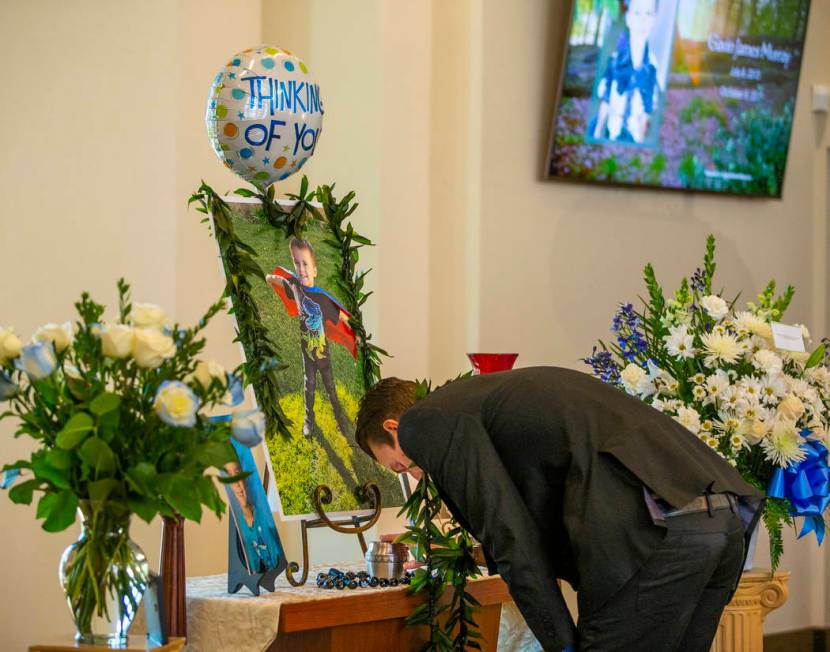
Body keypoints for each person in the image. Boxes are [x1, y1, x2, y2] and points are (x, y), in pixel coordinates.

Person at [355, 367, 763, 651]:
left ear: (394, 428)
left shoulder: (422, 423)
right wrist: (451, 552)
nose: (417, 471)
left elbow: (510, 534)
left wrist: (563, 643)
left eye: (402, 464)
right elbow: (526, 513)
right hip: (720, 517)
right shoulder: (489, 400)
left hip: (654, 537)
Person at [266, 237, 356, 439]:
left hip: (322, 354)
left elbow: (342, 316)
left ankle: (339, 416)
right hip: (306, 351)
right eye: (297, 263)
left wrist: (355, 333)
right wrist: (269, 278)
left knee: (330, 387)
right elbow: (281, 281)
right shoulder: (295, 287)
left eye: (305, 264)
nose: (301, 268)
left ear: (314, 270)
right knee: (309, 387)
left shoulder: (322, 299)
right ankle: (309, 419)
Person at [591, 0, 660, 144]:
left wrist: (640, 142)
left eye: (648, 14)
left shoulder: (652, 66)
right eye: (637, 13)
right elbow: (606, 98)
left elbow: (647, 108)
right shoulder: (615, 60)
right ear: (628, 18)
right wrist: (597, 133)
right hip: (612, 133)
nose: (643, 20)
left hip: (634, 137)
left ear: (654, 20)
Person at [225, 461, 283, 574]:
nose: (236, 483)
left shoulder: (265, 517)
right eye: (229, 478)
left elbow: (276, 558)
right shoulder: (238, 524)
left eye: (238, 474)